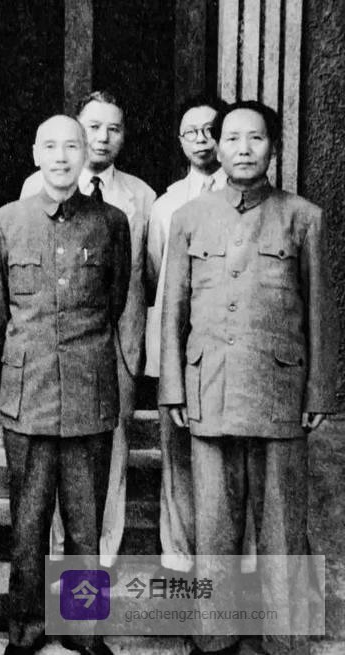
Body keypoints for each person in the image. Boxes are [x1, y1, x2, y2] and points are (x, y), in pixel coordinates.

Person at [159, 101, 339, 655]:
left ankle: (286, 639)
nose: (242, 148)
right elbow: (173, 311)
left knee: (283, 525)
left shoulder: (303, 217)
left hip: (279, 393)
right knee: (214, 524)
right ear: (217, 147)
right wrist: (173, 387)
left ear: (273, 148)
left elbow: (322, 311)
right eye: (232, 138)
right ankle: (214, 636)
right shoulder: (189, 217)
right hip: (209, 390)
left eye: (255, 138)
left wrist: (319, 391)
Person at [0, 114, 135, 655]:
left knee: (85, 523)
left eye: (72, 145)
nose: (62, 156)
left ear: (86, 152)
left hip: (89, 393)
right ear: (35, 153)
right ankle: (25, 629)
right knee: (27, 523)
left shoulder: (112, 222)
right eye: (51, 146)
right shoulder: (7, 221)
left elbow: (115, 301)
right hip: (29, 395)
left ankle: (82, 629)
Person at [22, 91, 154, 566]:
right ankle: (59, 556)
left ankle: (103, 553)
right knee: (51, 460)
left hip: (114, 343)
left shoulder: (140, 197)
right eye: (92, 127)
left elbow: (142, 275)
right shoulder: (31, 190)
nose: (102, 137)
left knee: (108, 455)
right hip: (51, 350)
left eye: (112, 128)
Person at [146, 94, 234, 575]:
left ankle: (227, 561)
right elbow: (160, 276)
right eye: (190, 132)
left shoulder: (250, 199)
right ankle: (178, 552)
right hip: (179, 348)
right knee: (176, 453)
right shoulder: (166, 205)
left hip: (230, 348)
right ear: (179, 141)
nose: (201, 141)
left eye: (210, 130)